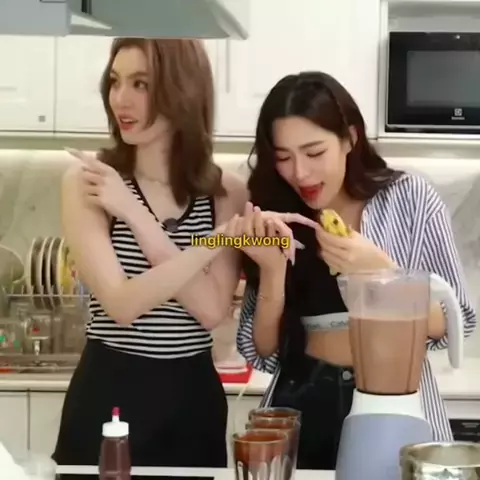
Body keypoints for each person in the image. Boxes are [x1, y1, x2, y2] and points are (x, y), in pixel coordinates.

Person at [53, 38, 315, 478]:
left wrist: (137, 215)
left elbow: (211, 310)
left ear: (182, 90)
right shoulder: (90, 181)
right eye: (115, 81)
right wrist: (212, 243)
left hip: (192, 400)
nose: (120, 99)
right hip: (110, 389)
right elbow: (122, 304)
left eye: (141, 84)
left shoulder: (225, 192)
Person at [236, 71, 477, 470]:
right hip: (301, 405)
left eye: (314, 152)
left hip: (391, 403)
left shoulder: (411, 199)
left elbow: (456, 322)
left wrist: (382, 273)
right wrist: (273, 273)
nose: (300, 173)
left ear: (350, 138)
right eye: (283, 157)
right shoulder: (277, 215)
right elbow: (262, 351)